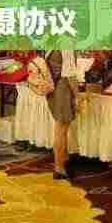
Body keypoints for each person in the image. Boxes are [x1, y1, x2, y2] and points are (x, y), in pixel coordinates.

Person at [41, 48, 79, 180]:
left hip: (53, 86)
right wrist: (77, 96)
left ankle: (64, 160)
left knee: (60, 128)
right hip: (63, 88)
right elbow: (70, 74)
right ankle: (59, 168)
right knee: (61, 129)